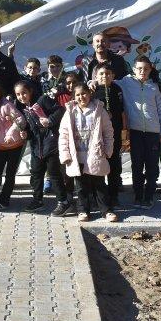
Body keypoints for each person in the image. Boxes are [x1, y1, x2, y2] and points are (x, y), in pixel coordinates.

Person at [58, 83, 116, 222]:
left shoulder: (99, 110)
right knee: (81, 186)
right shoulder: (70, 111)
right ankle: (83, 210)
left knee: (99, 184)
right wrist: (65, 154)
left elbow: (108, 132)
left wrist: (108, 150)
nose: (81, 97)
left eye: (84, 93)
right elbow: (63, 134)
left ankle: (106, 211)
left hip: (96, 153)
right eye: (77, 95)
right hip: (77, 155)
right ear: (73, 96)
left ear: (90, 94)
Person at [117, 56, 161, 209]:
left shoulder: (154, 87)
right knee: (137, 165)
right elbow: (108, 81)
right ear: (134, 69)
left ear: (150, 70)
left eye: (146, 69)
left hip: (153, 133)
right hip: (135, 132)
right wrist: (92, 82)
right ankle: (138, 195)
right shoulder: (126, 83)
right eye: (139, 68)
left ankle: (149, 196)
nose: (142, 71)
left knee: (152, 166)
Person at [23, 78, 67, 212]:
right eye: (18, 94)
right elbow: (32, 130)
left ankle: (63, 202)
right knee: (36, 173)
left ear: (30, 91)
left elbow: (60, 110)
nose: (21, 96)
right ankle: (38, 200)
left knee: (54, 174)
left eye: (24, 93)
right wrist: (26, 134)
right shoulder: (26, 108)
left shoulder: (42, 100)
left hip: (51, 144)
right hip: (37, 147)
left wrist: (50, 120)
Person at [0, 81, 28, 209]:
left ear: (0, 95)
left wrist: (10, 133)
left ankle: (4, 200)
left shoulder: (6, 105)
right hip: (0, 146)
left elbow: (21, 120)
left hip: (15, 144)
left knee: (10, 174)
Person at [92, 64, 125, 207]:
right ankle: (98, 196)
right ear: (96, 76)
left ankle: (113, 194)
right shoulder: (92, 90)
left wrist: (125, 129)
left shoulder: (117, 89)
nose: (104, 76)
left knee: (114, 164)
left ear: (112, 76)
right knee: (97, 163)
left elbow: (122, 109)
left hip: (115, 132)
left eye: (107, 74)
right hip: (97, 134)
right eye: (101, 74)